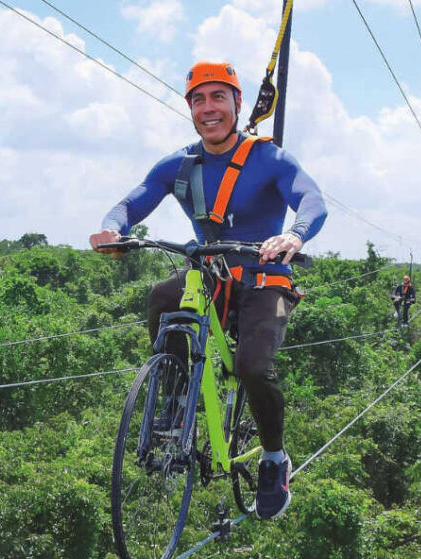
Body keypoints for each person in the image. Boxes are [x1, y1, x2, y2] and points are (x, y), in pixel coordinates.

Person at [89, 62, 327, 520]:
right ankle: (176, 400)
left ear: (238, 105)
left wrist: (294, 235)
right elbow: (132, 202)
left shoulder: (269, 159)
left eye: (218, 97)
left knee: (252, 367)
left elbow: (310, 198)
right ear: (190, 109)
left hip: (263, 277)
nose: (208, 108)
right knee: (164, 295)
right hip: (212, 274)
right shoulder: (179, 164)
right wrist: (111, 229)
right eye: (198, 99)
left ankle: (274, 459)